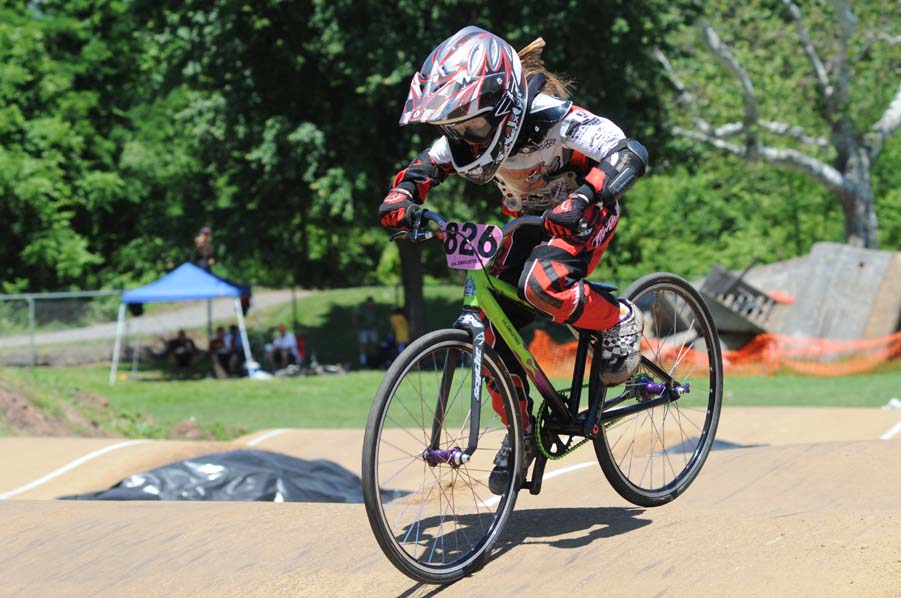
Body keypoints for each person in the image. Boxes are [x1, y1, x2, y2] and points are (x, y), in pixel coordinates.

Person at [378, 27, 648, 495]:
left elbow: (628, 152)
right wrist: (401, 199)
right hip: (527, 223)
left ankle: (617, 318)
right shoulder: (463, 136)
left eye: (471, 126)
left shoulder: (552, 116)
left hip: (586, 214)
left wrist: (584, 197)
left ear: (502, 106)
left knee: (543, 283)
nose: (464, 138)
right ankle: (521, 432)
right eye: (453, 128)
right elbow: (420, 171)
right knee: (486, 326)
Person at [356, 296, 379, 367]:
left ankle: (374, 361)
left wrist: (376, 328)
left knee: (374, 344)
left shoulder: (374, 310)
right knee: (363, 345)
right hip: (364, 329)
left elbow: (375, 320)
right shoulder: (363, 310)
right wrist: (359, 327)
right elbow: (357, 319)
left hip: (372, 329)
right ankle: (363, 362)